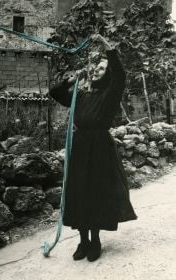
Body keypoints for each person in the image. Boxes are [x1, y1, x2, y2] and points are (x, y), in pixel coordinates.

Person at [49, 34, 137, 262]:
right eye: (96, 67)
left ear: (108, 74)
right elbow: (55, 93)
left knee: (95, 192)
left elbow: (120, 73)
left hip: (99, 149)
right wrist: (71, 80)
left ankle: (95, 240)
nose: (97, 70)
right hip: (79, 147)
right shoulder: (81, 95)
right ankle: (83, 240)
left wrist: (107, 46)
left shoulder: (111, 93)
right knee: (78, 192)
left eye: (102, 68)